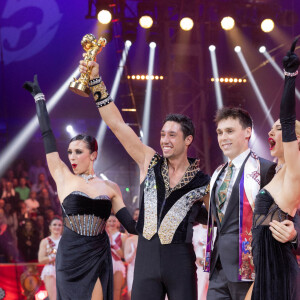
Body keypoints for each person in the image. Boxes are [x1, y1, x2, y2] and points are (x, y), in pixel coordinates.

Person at [78, 60, 210, 300]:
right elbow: (117, 125)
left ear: (188, 140)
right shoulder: (150, 161)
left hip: (181, 262)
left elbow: (219, 218)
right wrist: (96, 81)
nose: (165, 140)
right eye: (162, 134)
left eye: (172, 135)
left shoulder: (203, 181)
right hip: (146, 262)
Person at [23, 75, 137, 300]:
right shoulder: (63, 175)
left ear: (93, 155)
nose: (72, 157)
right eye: (70, 152)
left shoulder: (110, 187)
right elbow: (47, 135)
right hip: (70, 255)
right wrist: (39, 99)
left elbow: (133, 227)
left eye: (78, 152)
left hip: (98, 254)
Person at [205, 106, 298, 300]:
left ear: (247, 132)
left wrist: (294, 234)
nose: (223, 137)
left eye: (230, 131)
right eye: (220, 132)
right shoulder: (217, 174)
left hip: (252, 270)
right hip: (218, 269)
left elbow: (290, 209)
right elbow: (217, 219)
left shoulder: (266, 169)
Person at [246, 39, 300, 300]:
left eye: (278, 129)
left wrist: (290, 77)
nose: (271, 131)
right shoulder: (276, 173)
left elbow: (289, 120)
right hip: (265, 267)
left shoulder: (295, 171)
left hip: (277, 267)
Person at [38, 217, 63, 300]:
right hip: (51, 270)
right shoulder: (45, 241)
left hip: (64, 270)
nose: (57, 227)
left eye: (59, 225)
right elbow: (41, 259)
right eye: (54, 225)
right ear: (50, 227)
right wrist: (53, 257)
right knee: (54, 297)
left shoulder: (66, 240)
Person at [106, 214, 127, 300]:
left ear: (118, 223)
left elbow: (123, 255)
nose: (112, 223)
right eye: (110, 221)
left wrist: (113, 243)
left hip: (117, 265)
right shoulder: (102, 235)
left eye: (114, 221)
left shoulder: (122, 236)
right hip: (104, 264)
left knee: (116, 292)